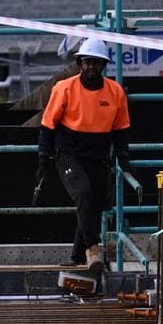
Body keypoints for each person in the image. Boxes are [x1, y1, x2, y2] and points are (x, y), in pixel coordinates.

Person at [37, 37, 133, 272]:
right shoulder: (64, 88)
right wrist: (43, 158)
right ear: (80, 63)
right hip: (69, 154)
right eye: (87, 62)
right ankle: (93, 247)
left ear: (103, 66)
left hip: (99, 155)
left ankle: (78, 257)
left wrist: (123, 157)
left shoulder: (115, 92)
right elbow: (48, 125)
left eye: (96, 63)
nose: (91, 67)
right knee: (83, 194)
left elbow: (121, 129)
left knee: (95, 204)